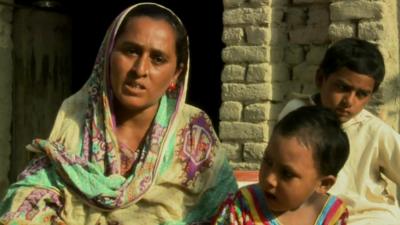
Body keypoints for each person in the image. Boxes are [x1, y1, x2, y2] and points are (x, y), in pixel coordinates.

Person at [0, 3, 237, 225]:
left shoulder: (193, 134)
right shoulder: (76, 121)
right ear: (108, 55)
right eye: (131, 51)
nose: (139, 70)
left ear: (176, 73)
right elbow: (29, 199)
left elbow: (227, 211)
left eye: (158, 59)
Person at [278, 37, 400, 224]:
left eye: (361, 94)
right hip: (311, 215)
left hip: (363, 215)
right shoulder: (296, 112)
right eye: (342, 87)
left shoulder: (374, 131)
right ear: (321, 79)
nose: (349, 101)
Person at [212, 106, 350, 225]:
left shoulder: (333, 215)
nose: (269, 179)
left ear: (324, 183)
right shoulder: (242, 206)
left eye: (287, 173)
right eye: (268, 161)